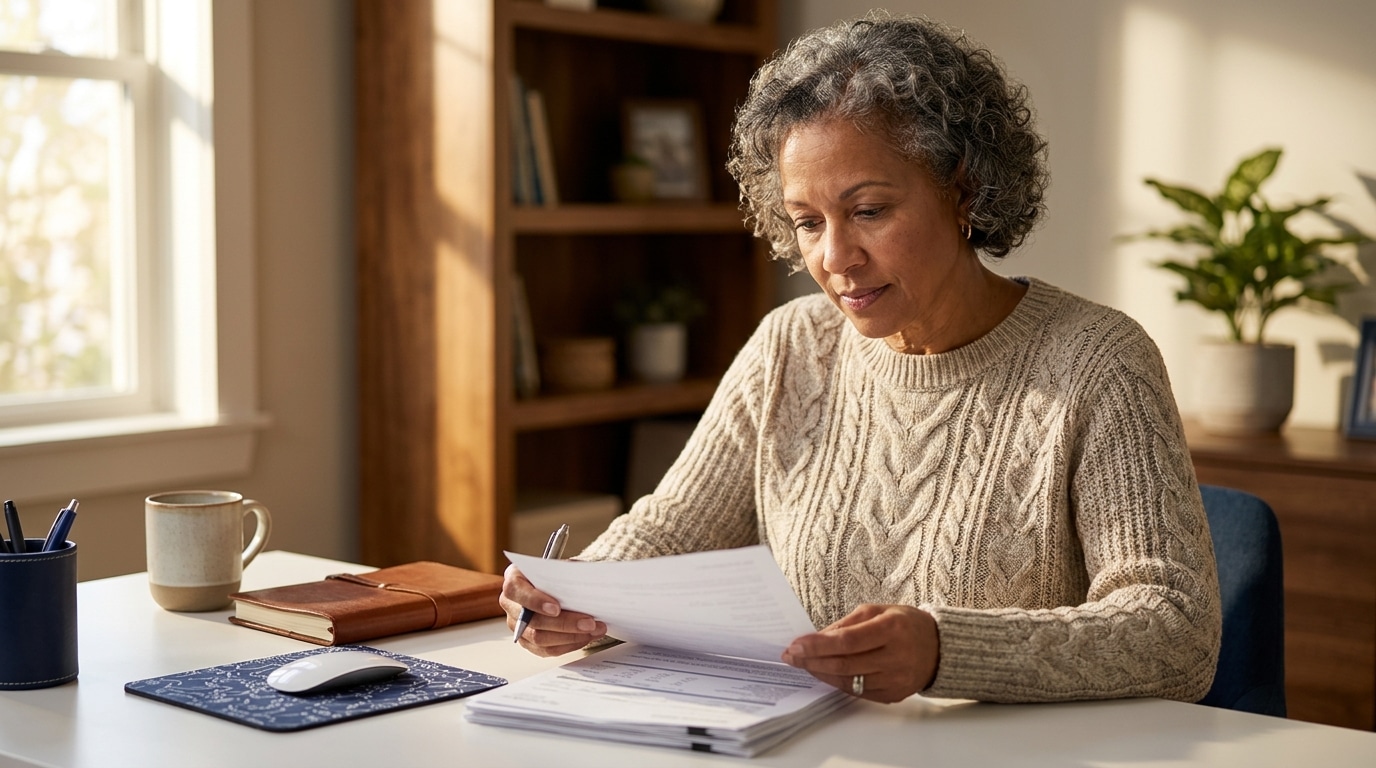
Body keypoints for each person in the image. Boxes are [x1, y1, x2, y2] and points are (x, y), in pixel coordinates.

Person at [500, 11, 1221, 705]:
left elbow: (1176, 630)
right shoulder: (791, 346)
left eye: (869, 211)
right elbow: (674, 529)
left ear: (963, 188)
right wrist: (577, 594)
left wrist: (945, 649)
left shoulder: (1099, 362)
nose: (835, 258)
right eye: (807, 222)